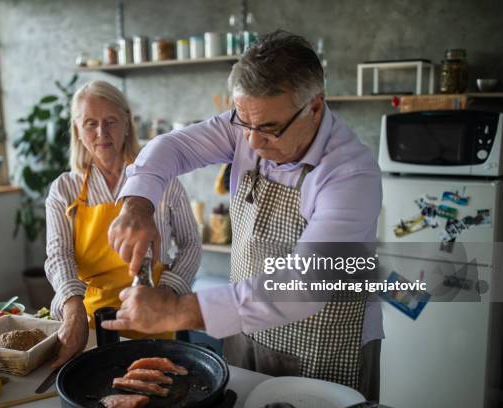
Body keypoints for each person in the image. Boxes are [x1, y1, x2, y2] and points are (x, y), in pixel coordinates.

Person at [104, 31, 383, 400]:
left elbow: (306, 284)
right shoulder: (249, 124)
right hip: (247, 323)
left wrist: (177, 310)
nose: (251, 143)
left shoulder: (350, 173)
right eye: (243, 123)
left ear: (315, 107)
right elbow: (170, 146)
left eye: (269, 129)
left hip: (325, 340)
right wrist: (138, 203)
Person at [44, 80, 201, 369]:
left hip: (153, 311)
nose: (101, 133)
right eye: (90, 123)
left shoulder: (163, 181)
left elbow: (190, 243)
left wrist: (169, 291)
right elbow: (58, 254)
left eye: (110, 122)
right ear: (77, 130)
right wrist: (72, 309)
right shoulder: (64, 189)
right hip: (91, 322)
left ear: (127, 124)